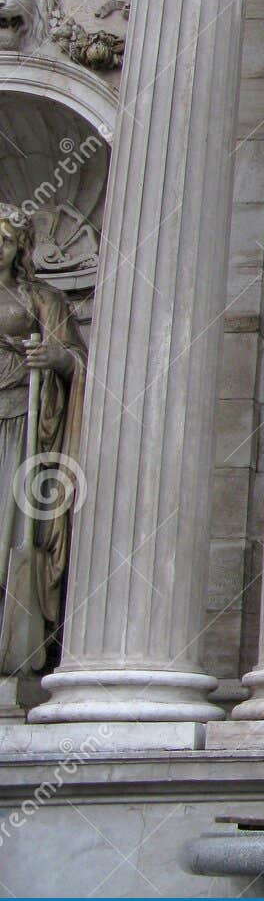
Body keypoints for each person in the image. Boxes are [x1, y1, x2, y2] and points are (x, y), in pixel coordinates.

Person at [0, 203, 85, 676]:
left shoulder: (42, 299)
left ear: (20, 248)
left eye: (5, 240)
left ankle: (11, 637)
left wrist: (55, 358)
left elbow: (76, 358)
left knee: (13, 531)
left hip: (19, 423)